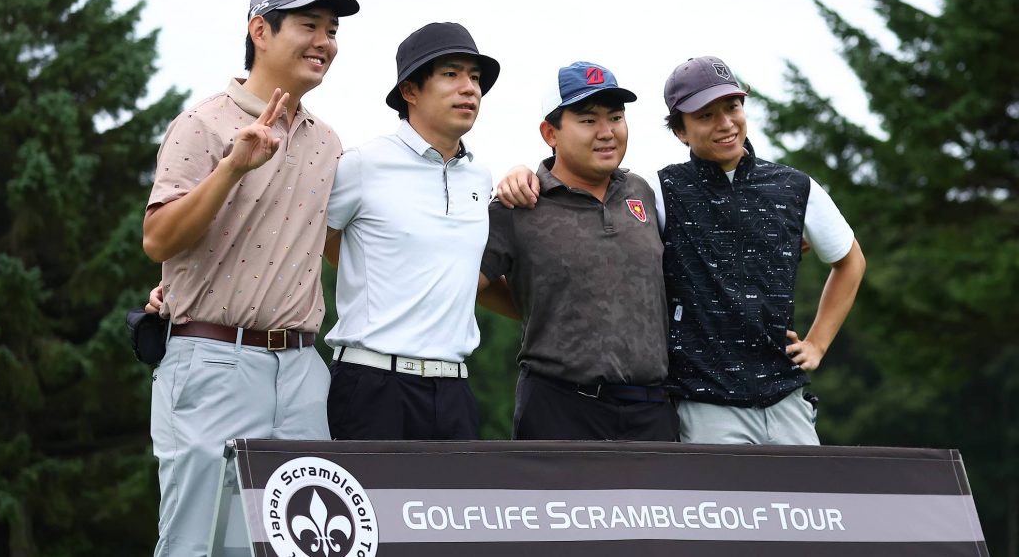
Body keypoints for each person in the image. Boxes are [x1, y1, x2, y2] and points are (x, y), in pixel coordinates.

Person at [497, 56, 866, 445]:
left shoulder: (793, 186)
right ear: (679, 130)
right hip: (702, 403)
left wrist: (817, 343)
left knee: (805, 487)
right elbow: (582, 204)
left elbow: (849, 260)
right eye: (705, 115)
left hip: (784, 395)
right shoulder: (658, 190)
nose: (725, 124)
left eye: (732, 107)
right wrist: (522, 172)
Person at [142, 0, 358, 557]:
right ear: (260, 31)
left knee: (300, 545)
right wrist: (232, 168)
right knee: (197, 542)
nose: (325, 42)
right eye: (309, 26)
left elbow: (341, 246)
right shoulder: (202, 123)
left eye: (332, 31)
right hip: (213, 358)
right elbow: (158, 239)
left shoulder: (328, 142)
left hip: (302, 369)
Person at [478, 62, 677, 441]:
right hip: (558, 407)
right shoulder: (519, 204)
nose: (607, 132)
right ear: (550, 133)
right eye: (588, 120)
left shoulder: (642, 192)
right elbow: (470, 284)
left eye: (615, 117)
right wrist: (536, 308)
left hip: (651, 411)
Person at [325, 22, 500, 441]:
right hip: (371, 385)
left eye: (475, 78)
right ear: (410, 90)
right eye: (451, 74)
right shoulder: (363, 164)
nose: (469, 89)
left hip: (454, 389)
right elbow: (315, 243)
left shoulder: (480, 177)